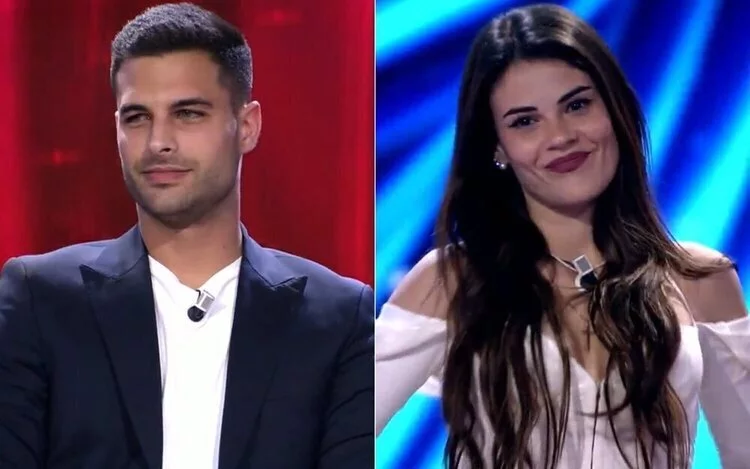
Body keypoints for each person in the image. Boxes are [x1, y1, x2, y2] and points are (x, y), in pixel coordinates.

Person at [0, 3, 374, 469]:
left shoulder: (338, 319)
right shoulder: (40, 300)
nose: (159, 141)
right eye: (137, 117)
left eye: (188, 114)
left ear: (247, 127)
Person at [375, 4, 749, 469]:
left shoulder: (700, 279)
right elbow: (336, 431)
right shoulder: (452, 285)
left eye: (577, 105)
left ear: (614, 110)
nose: (560, 136)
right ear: (497, 146)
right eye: (525, 121)